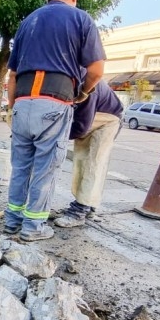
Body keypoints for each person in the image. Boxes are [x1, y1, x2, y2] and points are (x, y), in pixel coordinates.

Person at [4, 0, 106, 241]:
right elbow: (96, 70)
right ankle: (33, 228)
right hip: (54, 102)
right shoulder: (81, 19)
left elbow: (12, 75)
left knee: (21, 168)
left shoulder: (28, 21)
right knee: (45, 170)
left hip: (23, 103)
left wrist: (12, 109)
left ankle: (12, 221)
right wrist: (82, 92)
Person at [54, 80, 123, 227]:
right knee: (81, 161)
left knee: (93, 164)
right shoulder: (68, 79)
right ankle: (89, 206)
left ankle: (80, 211)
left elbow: (80, 127)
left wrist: (54, 136)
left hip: (108, 121)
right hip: (92, 118)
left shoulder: (88, 86)